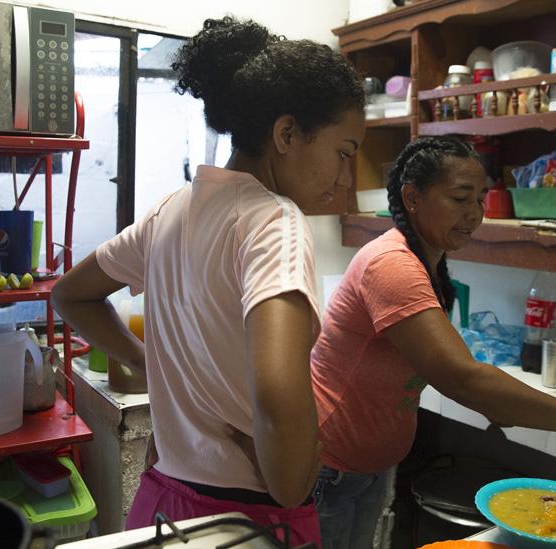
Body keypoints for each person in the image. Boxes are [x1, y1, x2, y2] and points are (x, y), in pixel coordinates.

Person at [51, 16, 365, 544]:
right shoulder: (275, 221)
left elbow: (70, 295)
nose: (344, 178)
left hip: (164, 503)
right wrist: (296, 481)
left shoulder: (170, 211)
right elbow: (275, 394)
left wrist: (141, 360)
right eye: (343, 153)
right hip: (245, 523)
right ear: (287, 134)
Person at [310, 137, 556, 548]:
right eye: (460, 198)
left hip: (370, 462)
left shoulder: (424, 260)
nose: (474, 214)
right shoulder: (391, 265)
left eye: (480, 198)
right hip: (333, 465)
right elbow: (468, 382)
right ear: (412, 197)